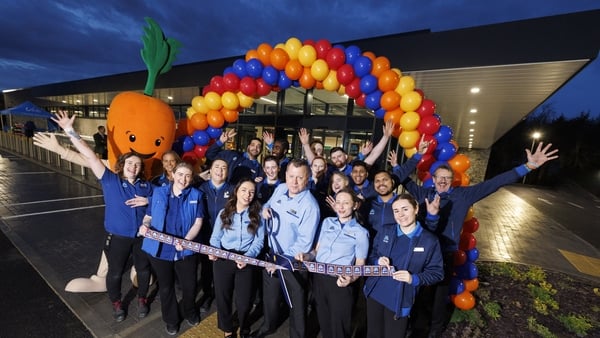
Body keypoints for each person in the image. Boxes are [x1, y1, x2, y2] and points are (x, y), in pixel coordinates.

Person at [389, 141, 559, 337]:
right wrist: (396, 167)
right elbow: (403, 180)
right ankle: (414, 329)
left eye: (447, 178)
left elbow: (494, 183)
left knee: (438, 297)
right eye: (439, 178)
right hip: (420, 253)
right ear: (433, 179)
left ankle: (434, 332)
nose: (443, 181)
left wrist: (528, 167)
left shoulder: (463, 195)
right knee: (416, 292)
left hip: (445, 255)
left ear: (453, 180)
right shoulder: (424, 194)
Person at [51, 111, 152, 322]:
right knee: (114, 273)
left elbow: (160, 204)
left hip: (143, 238)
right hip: (118, 238)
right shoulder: (110, 180)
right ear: (122, 165)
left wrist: (149, 202)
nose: (134, 167)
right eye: (130, 163)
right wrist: (70, 131)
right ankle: (117, 303)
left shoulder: (147, 186)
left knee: (143, 270)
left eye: (138, 165)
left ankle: (142, 299)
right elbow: (89, 155)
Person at [255, 159, 321, 338]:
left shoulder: (310, 206)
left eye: (300, 177)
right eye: (291, 176)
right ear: (285, 176)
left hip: (293, 262)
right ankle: (268, 326)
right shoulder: (281, 188)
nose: (294, 181)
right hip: (272, 256)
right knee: (270, 298)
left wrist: (280, 262)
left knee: (296, 302)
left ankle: (297, 334)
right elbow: (268, 204)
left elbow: (304, 243)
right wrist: (265, 210)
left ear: (307, 179)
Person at [363, 193, 444, 338]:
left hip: (399, 301)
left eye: (405, 209)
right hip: (375, 293)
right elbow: (371, 255)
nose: (401, 215)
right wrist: (377, 261)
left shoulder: (429, 241)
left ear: (416, 209)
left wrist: (413, 279)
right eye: (396, 211)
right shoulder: (386, 231)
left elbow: (437, 273)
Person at [139, 162, 203, 336]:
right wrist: (144, 226)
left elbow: (198, 222)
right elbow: (148, 216)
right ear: (173, 175)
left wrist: (186, 241)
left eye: (188, 175)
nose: (183, 179)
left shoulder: (196, 195)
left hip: (185, 250)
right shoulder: (158, 192)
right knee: (166, 288)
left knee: (189, 286)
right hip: (161, 250)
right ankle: (171, 320)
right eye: (180, 174)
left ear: (191, 178)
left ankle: (190, 311)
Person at [296, 188, 369, 338]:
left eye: (346, 203)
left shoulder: (361, 232)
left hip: (340, 282)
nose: (341, 207)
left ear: (355, 205)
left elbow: (360, 264)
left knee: (339, 326)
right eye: (338, 202)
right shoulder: (327, 222)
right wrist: (306, 256)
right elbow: (316, 251)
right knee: (324, 322)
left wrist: (351, 278)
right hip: (319, 279)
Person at [209, 178, 265, 338]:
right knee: (223, 297)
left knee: (244, 301)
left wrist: (247, 257)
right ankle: (227, 329)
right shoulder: (224, 212)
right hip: (224, 259)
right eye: (244, 190)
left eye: (251, 192)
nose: (247, 194)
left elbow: (259, 241)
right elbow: (215, 238)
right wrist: (214, 251)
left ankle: (244, 325)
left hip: (245, 261)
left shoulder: (258, 215)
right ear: (236, 191)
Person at [197, 158, 234, 313]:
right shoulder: (201, 188)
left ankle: (222, 298)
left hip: (225, 238)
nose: (220, 170)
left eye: (224, 167)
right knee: (206, 269)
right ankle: (207, 294)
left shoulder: (233, 190)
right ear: (210, 171)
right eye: (216, 167)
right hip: (205, 235)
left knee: (222, 271)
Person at [299, 120, 394, 178]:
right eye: (334, 157)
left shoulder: (354, 168)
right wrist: (306, 145)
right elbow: (313, 162)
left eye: (339, 156)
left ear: (345, 156)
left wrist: (385, 137)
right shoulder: (329, 170)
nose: (337, 159)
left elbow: (373, 156)